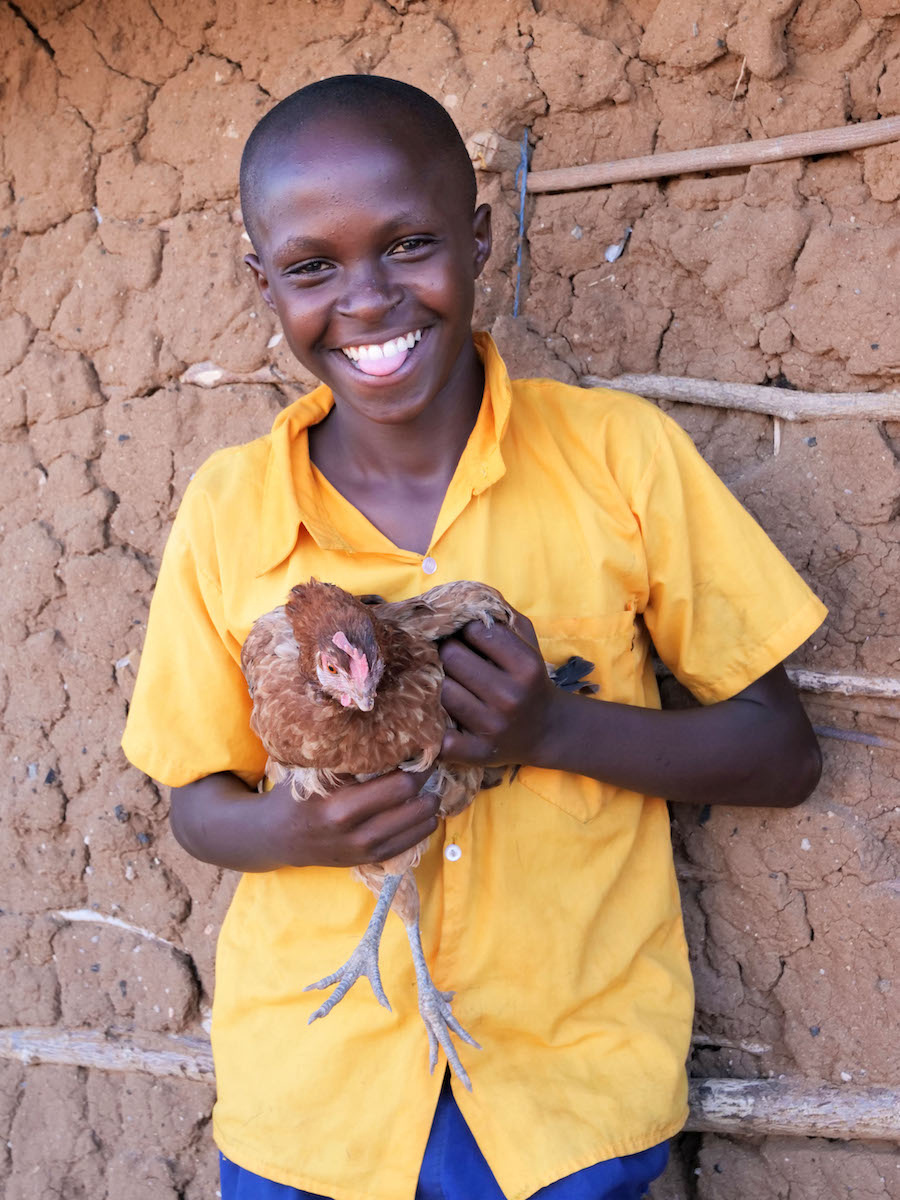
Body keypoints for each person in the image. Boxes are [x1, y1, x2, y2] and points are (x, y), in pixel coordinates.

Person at [122, 75, 826, 1200]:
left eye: (408, 245)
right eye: (313, 268)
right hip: (316, 1103)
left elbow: (782, 753)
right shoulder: (228, 512)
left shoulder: (618, 460)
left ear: (480, 237)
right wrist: (299, 835)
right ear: (264, 284)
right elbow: (197, 802)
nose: (367, 301)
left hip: (563, 1094)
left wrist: (555, 728)